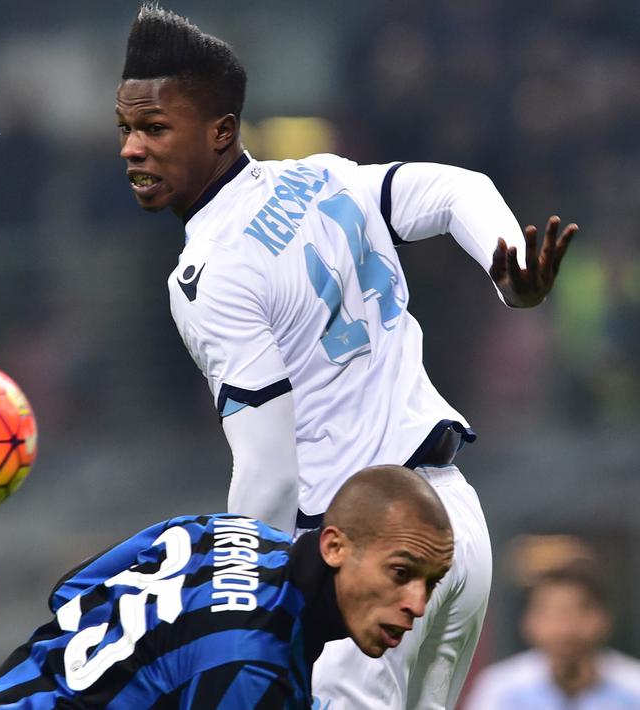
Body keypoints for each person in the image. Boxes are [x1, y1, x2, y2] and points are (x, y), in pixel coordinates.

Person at [114, 5, 577, 708]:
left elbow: (269, 471)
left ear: (219, 131)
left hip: (363, 559)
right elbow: (459, 191)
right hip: (456, 529)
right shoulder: (323, 177)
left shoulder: (208, 275)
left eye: (153, 128)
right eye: (125, 129)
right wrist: (505, 272)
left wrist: (242, 608)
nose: (130, 149)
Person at [0, 465, 454, 708]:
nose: (416, 604)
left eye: (430, 583)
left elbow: (72, 589)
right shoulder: (251, 667)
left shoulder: (230, 530)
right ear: (333, 547)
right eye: (400, 573)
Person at [464, 563, 640, 709]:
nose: (565, 628)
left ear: (605, 618)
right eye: (551, 613)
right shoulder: (500, 688)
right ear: (528, 622)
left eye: (579, 611)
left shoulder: (634, 687)